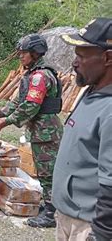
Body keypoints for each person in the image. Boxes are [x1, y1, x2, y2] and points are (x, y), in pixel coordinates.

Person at [0, 33, 63, 228]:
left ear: (35, 53)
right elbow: (18, 100)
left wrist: (6, 121)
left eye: (24, 53)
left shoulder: (40, 76)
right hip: (41, 131)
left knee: (48, 173)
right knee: (43, 171)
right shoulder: (32, 74)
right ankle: (49, 207)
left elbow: (30, 105)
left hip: (46, 132)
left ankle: (50, 214)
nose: (20, 57)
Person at [52, 18, 112, 241]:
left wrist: (102, 234)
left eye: (82, 56)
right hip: (68, 216)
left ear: (108, 58)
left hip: (89, 226)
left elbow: (110, 182)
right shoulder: (92, 91)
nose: (75, 63)